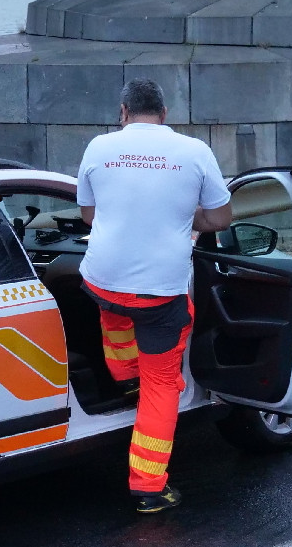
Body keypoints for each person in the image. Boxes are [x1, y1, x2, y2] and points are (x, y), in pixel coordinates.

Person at [76, 78, 233, 512]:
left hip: (102, 281)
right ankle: (148, 487)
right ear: (164, 115)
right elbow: (221, 217)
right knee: (163, 383)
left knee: (116, 311)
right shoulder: (195, 152)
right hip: (160, 291)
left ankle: (126, 378)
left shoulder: (98, 147)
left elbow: (90, 216)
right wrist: (188, 219)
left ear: (123, 112)